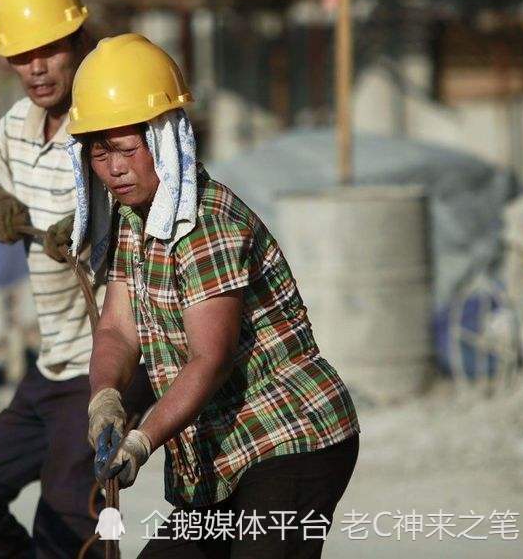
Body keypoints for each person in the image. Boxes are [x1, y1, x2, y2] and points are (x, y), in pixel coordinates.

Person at [66, 33, 361, 558]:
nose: (114, 167)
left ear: (163, 140)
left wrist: (141, 440)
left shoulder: (206, 225)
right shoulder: (133, 221)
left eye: (128, 148)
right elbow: (116, 328)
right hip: (220, 454)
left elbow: (211, 357)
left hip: (287, 438)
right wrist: (105, 397)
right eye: (100, 151)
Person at [0, 0, 153, 559]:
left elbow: (148, 197)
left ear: (78, 38)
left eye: (48, 50)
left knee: (67, 522)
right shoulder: (20, 127)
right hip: (51, 364)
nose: (35, 69)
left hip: (100, 365)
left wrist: (86, 224)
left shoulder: (105, 119)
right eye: (19, 57)